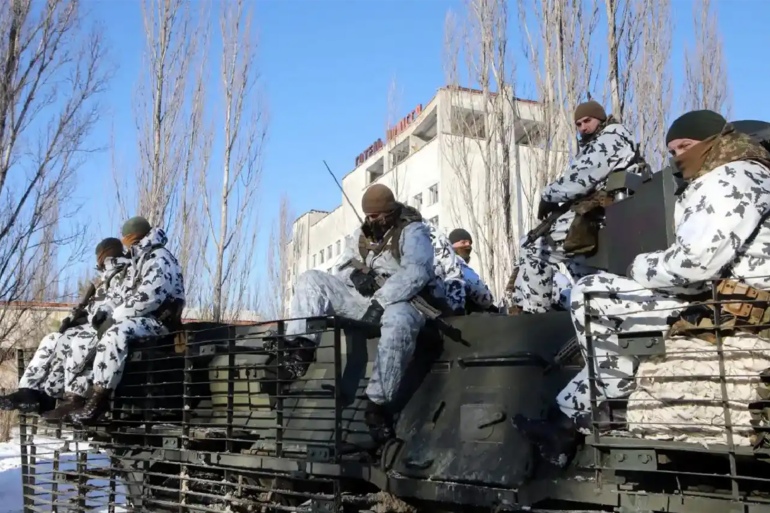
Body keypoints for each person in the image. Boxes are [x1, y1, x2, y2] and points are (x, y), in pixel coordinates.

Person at [513, 110, 770, 468]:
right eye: (671, 149)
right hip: (725, 301)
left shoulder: (730, 176)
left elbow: (696, 263)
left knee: (591, 294)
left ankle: (609, 408)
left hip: (728, 309)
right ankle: (567, 420)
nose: (677, 155)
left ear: (714, 140)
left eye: (685, 145)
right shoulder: (742, 172)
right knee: (610, 330)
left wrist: (641, 268)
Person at [270, 184, 441, 443]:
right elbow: (341, 266)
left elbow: (416, 273)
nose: (371, 221)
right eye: (368, 216)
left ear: (389, 212)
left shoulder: (413, 231)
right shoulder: (361, 235)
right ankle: (299, 351)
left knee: (399, 321)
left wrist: (381, 299)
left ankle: (376, 407)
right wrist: (355, 275)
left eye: (376, 216)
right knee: (311, 280)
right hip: (364, 299)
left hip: (401, 301)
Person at [511, 101, 646, 314]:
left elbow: (580, 179)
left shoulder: (610, 139)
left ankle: (534, 314)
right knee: (579, 263)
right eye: (579, 124)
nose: (583, 127)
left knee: (534, 247)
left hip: (603, 213)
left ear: (600, 119)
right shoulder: (606, 140)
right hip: (600, 213)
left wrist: (548, 195)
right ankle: (596, 310)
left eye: (588, 121)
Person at [67, 217, 186, 424]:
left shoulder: (159, 257)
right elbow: (124, 294)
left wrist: (115, 317)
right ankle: (75, 397)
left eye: (126, 238)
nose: (124, 242)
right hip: (138, 320)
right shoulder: (139, 259)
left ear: (133, 237)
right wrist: (104, 313)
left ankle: (100, 399)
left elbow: (149, 296)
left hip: (158, 323)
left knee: (115, 334)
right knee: (83, 339)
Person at [0, 238, 130, 416]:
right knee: (51, 339)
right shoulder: (102, 281)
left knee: (77, 342)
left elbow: (119, 305)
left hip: (109, 328)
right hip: (92, 326)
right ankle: (30, 392)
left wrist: (100, 318)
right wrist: (75, 319)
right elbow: (92, 310)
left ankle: (72, 398)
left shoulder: (126, 273)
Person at [447, 228, 494, 312]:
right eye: (463, 242)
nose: (468, 245)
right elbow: (481, 294)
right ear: (452, 245)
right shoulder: (458, 264)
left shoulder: (439, 262)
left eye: (469, 243)